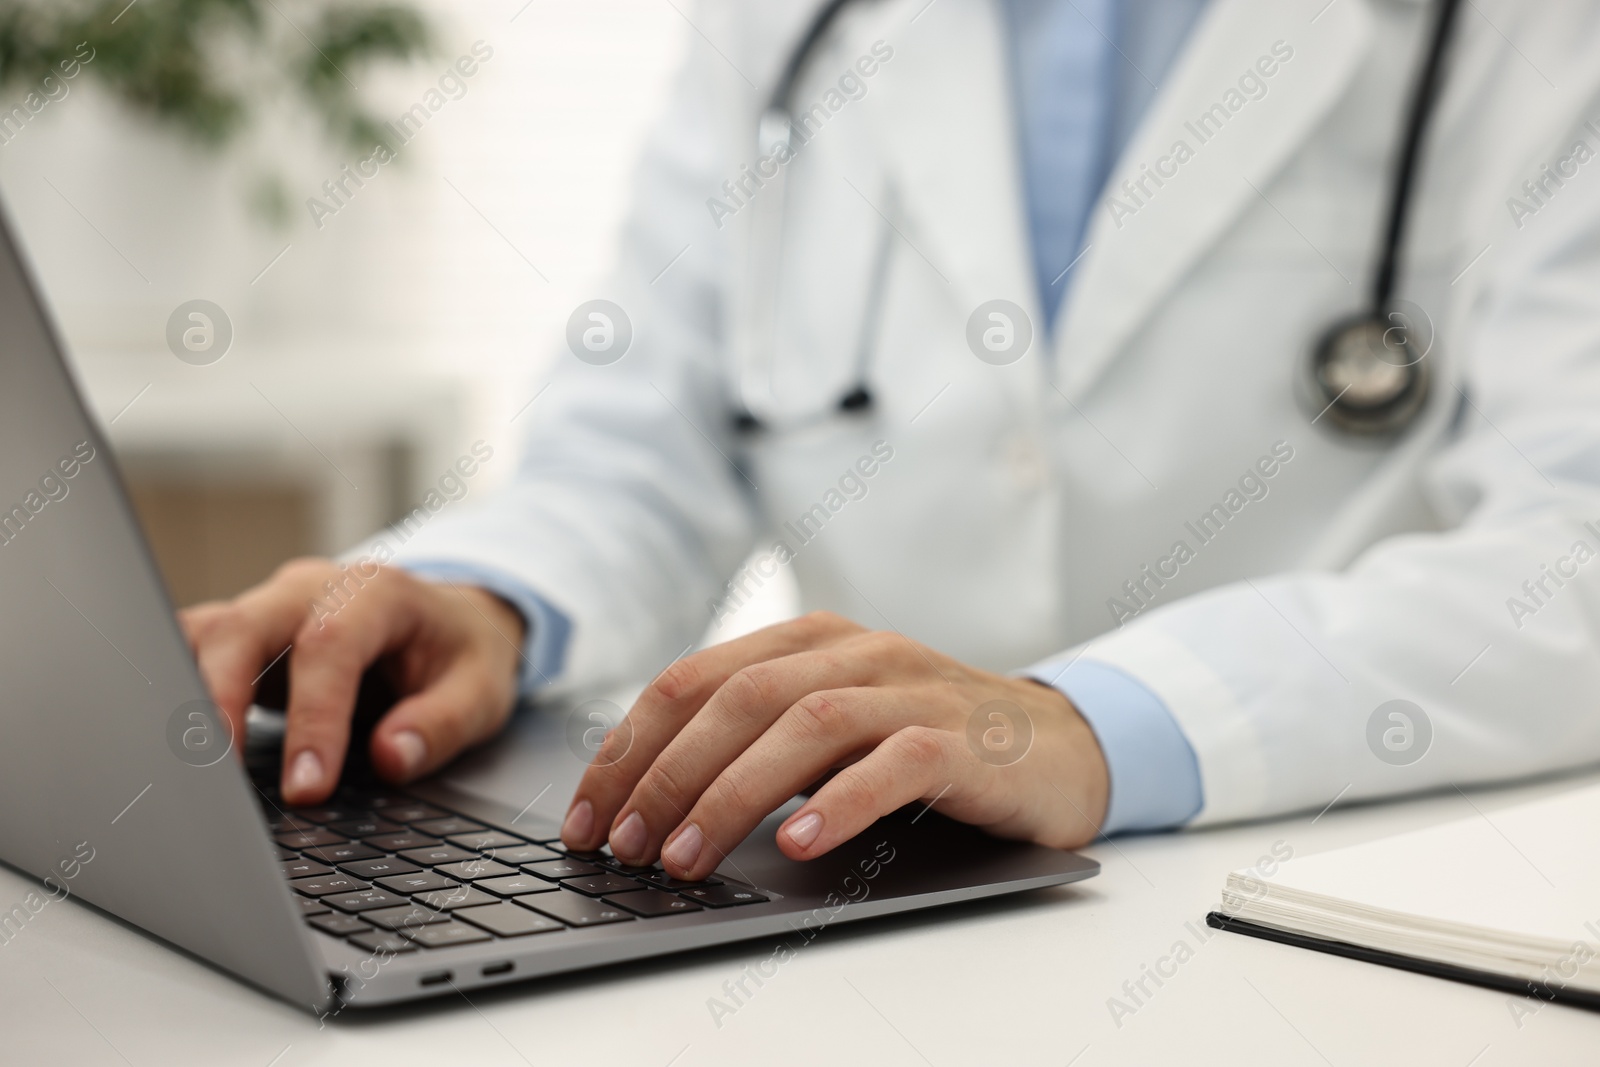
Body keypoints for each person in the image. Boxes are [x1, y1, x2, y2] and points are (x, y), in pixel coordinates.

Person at [182, 0, 1600, 884]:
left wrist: (1088, 722)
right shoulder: (787, 23)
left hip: (1329, 904)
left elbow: (1570, 555)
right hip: (863, 901)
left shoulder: (1530, 39)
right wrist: (490, 600)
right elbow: (641, 452)